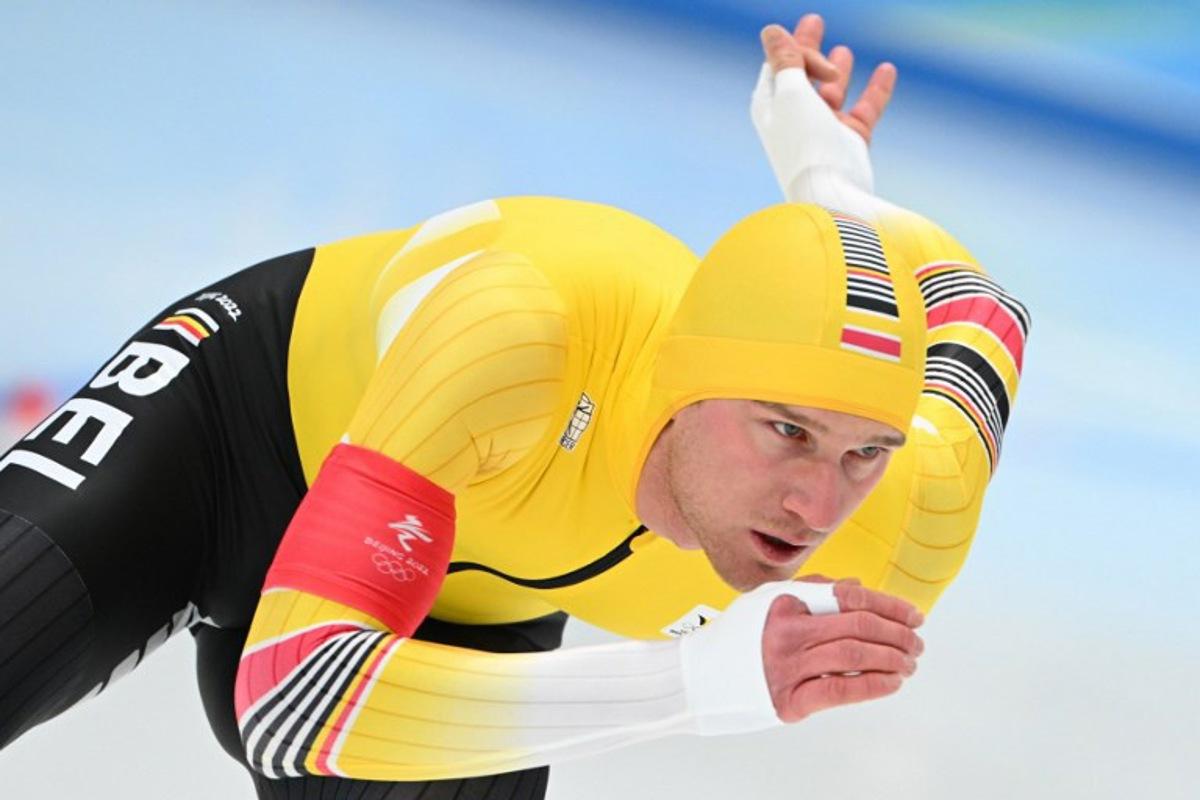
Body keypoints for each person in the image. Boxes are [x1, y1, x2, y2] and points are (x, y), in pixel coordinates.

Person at [0, 13, 1028, 800]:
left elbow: (985, 314)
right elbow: (285, 699)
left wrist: (829, 176)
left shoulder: (899, 521)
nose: (817, 503)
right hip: (233, 434)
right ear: (684, 376)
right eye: (786, 430)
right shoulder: (524, 331)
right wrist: (693, 682)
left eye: (863, 453)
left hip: (455, 605)